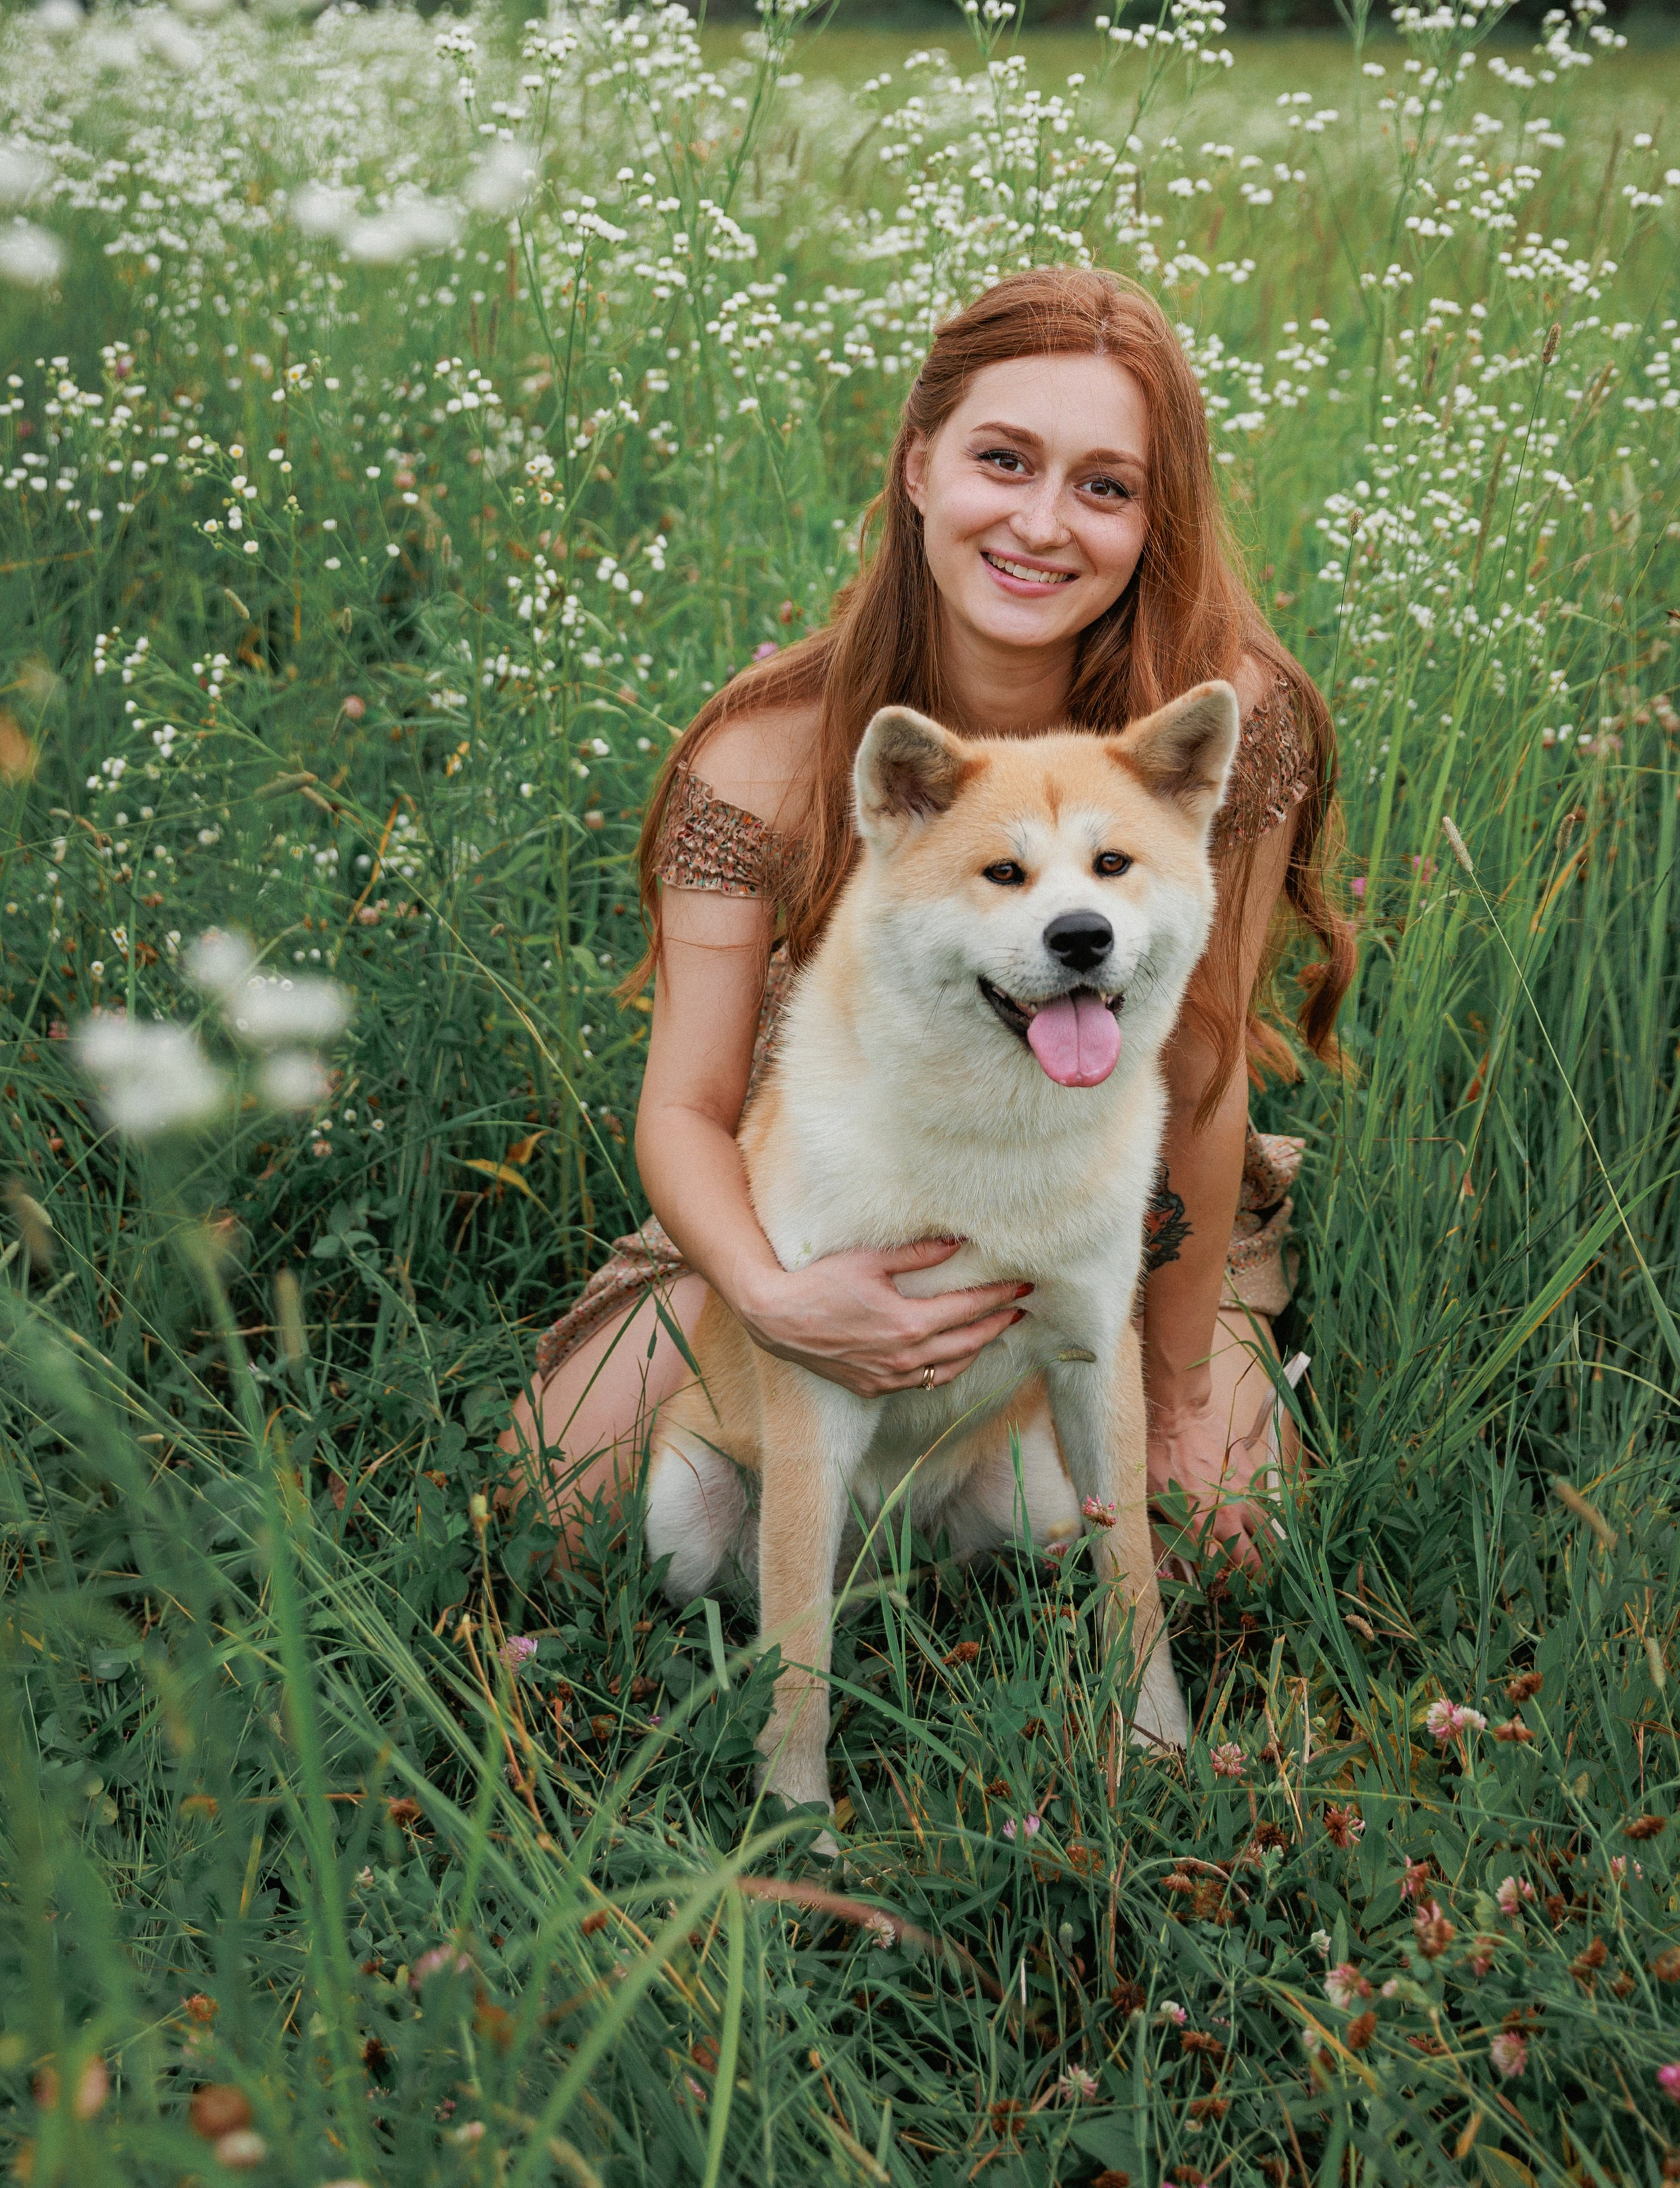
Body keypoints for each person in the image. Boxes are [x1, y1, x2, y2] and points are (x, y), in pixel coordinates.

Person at [506, 266, 1354, 1570]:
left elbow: (1201, 1071)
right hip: (837, 1190)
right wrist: (779, 1299)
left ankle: (1142, 1422)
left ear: (1153, 516)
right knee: (556, 1505)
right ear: (917, 466)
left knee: (1217, 1548)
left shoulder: (1221, 713)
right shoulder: (765, 754)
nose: (1043, 524)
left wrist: (1179, 1397)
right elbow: (685, 1107)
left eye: (1106, 486)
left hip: (1102, 1194)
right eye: (1003, 461)